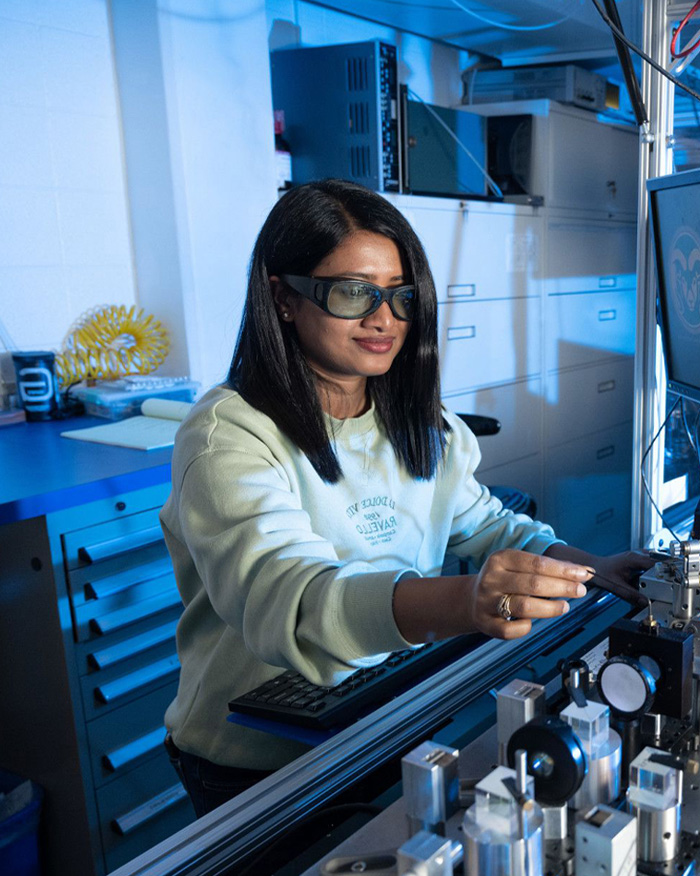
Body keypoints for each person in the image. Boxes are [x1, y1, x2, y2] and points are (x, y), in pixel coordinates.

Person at [161, 179, 650, 817]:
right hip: (255, 765)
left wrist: (591, 569)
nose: (383, 318)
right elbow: (293, 601)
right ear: (283, 298)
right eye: (352, 292)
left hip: (382, 723)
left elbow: (489, 526)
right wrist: (467, 601)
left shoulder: (419, 423)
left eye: (399, 295)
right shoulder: (229, 436)